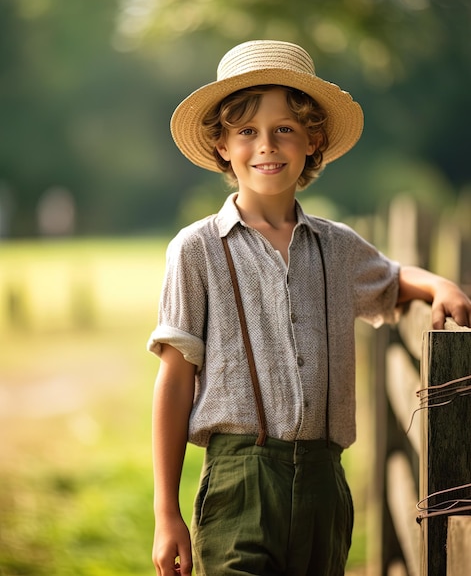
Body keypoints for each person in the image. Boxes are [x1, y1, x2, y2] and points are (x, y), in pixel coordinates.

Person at [147, 40, 471, 576]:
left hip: (325, 484)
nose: (266, 146)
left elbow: (391, 279)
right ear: (222, 145)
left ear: (312, 140)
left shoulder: (337, 246)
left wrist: (437, 283)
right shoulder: (196, 249)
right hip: (238, 483)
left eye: (284, 129)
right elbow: (175, 380)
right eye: (247, 131)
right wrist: (166, 513)